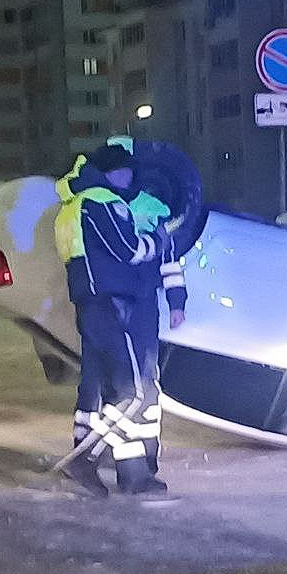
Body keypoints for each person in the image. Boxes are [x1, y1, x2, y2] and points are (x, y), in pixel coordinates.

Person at [54, 144, 187, 496]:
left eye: (128, 172)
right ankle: (88, 460)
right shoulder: (99, 202)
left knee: (109, 389)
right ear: (106, 173)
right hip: (115, 306)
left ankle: (132, 471)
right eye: (119, 172)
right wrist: (157, 241)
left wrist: (176, 299)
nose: (125, 178)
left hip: (105, 304)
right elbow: (128, 252)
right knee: (133, 393)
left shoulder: (76, 206)